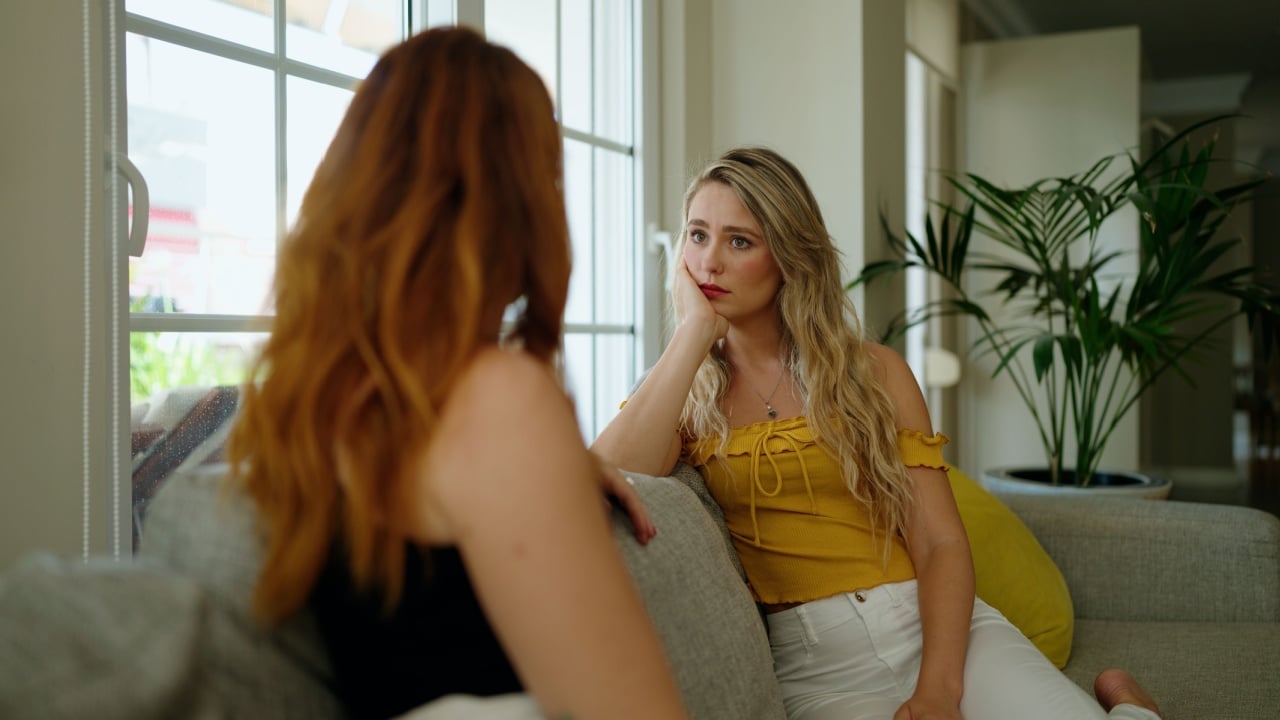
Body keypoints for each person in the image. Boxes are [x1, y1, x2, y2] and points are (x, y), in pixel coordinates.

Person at [591, 146, 1162, 720]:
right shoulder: (681, 395)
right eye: (697, 235)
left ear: (787, 257)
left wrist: (940, 690)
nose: (709, 262)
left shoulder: (875, 371)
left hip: (933, 630)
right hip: (816, 671)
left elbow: (939, 542)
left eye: (739, 241)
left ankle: (1129, 706)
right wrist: (693, 333)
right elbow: (604, 473)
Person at [225, 27, 688, 720]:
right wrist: (528, 439)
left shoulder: (321, 404)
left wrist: (553, 468)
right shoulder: (496, 401)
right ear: (514, 199)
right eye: (547, 173)